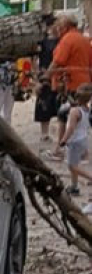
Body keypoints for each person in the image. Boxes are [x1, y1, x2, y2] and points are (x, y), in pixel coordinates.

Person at [48, 14, 92, 153]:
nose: (57, 27)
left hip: (70, 84)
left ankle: (58, 150)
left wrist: (45, 76)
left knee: (63, 115)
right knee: (81, 117)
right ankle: (80, 151)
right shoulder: (84, 40)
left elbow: (57, 62)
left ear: (66, 25)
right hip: (84, 83)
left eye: (59, 23)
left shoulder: (67, 40)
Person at [57, 82, 92, 196]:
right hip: (83, 139)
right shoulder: (87, 109)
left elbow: (71, 128)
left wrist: (63, 140)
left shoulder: (74, 111)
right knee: (75, 164)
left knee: (72, 166)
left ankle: (89, 178)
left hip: (75, 141)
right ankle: (74, 186)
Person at [34, 22, 60, 142]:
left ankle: (60, 131)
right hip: (44, 73)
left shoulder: (61, 40)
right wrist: (37, 76)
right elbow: (34, 58)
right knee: (43, 102)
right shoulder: (42, 41)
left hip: (58, 74)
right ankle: (44, 133)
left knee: (58, 102)